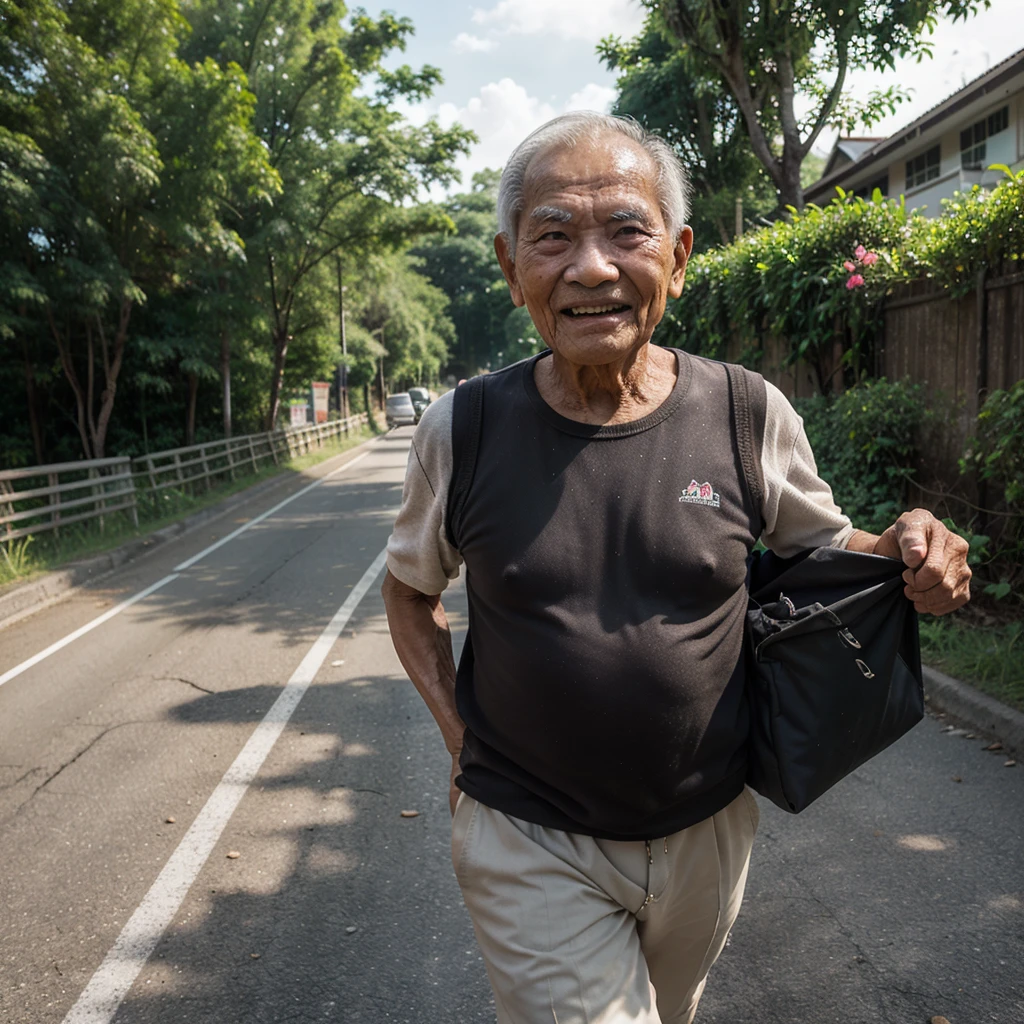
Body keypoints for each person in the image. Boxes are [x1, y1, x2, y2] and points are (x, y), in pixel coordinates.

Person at [381, 112, 971, 1024]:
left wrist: (910, 545)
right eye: (553, 237)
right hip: (528, 833)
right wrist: (462, 743)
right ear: (510, 268)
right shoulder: (463, 430)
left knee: (670, 1009)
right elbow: (410, 592)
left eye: (626, 231)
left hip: (708, 828)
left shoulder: (744, 411)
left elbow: (826, 549)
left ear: (680, 254)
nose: (591, 268)